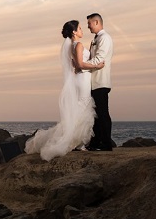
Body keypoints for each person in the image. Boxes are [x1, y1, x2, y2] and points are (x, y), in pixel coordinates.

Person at [25, 20, 105, 161]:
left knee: (80, 108)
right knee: (83, 107)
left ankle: (77, 141)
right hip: (82, 78)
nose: (82, 30)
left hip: (79, 79)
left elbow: (74, 64)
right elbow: (79, 65)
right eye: (80, 28)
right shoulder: (78, 45)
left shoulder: (71, 46)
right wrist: (96, 66)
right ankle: (78, 143)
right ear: (74, 32)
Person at [85, 13, 115, 151]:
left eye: (89, 23)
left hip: (101, 81)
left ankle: (107, 143)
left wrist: (82, 65)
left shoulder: (105, 38)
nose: (88, 26)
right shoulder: (96, 39)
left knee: (103, 113)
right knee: (96, 115)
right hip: (94, 82)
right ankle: (96, 142)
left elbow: (99, 59)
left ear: (96, 22)